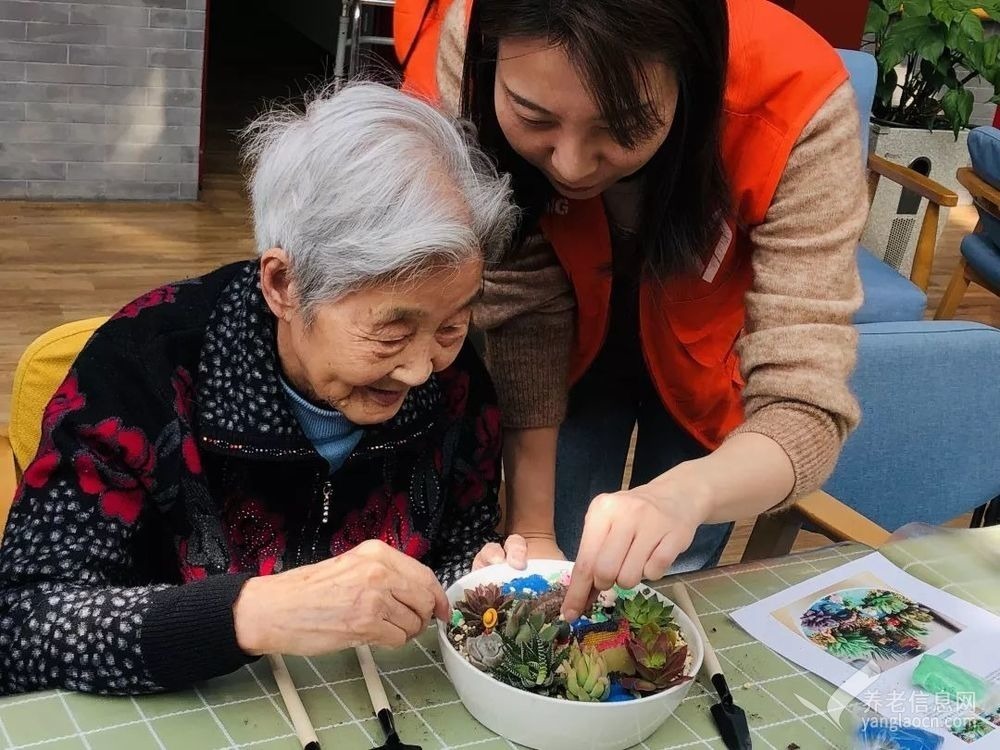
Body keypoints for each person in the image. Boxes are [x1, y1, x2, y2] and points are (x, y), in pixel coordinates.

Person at [0, 82, 526, 696]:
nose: (421, 369)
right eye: (391, 330)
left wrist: (478, 578)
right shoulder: (137, 376)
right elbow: (20, 626)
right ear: (283, 284)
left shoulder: (456, 383)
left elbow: (458, 545)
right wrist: (250, 613)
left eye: (453, 323)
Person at [395, 0, 869, 618]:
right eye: (533, 116)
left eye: (620, 127)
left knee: (667, 570)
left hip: (708, 353)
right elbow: (521, 301)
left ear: (694, 77)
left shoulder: (798, 104)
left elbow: (804, 404)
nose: (570, 164)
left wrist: (692, 493)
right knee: (559, 545)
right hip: (560, 351)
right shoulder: (475, 38)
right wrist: (534, 534)